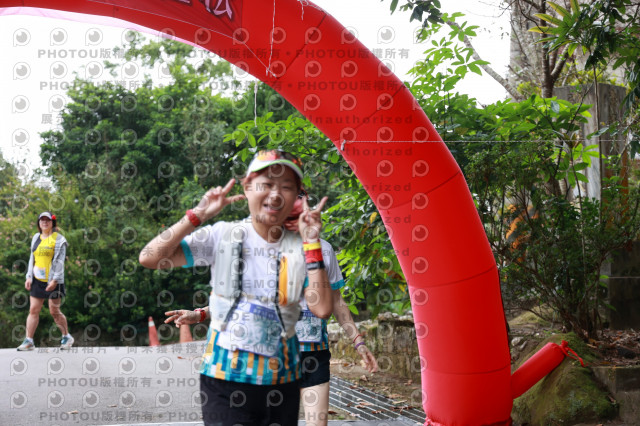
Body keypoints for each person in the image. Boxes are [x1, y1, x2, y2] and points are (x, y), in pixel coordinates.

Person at [139, 150, 334, 426]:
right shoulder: (223, 235)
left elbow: (322, 308)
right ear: (247, 187)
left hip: (283, 381)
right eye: (266, 184)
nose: (276, 194)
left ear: (296, 197)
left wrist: (312, 244)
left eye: (286, 187)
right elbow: (149, 257)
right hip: (225, 380)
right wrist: (197, 215)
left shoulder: (302, 246)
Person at [165, 210, 379, 426]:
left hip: (313, 353)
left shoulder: (323, 249)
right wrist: (201, 313)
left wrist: (358, 341)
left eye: (301, 202)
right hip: (274, 355)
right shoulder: (261, 246)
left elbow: (336, 302)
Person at [18, 212, 73, 351]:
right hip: (37, 279)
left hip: (53, 281)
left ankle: (66, 336)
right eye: (42, 220)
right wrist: (29, 276)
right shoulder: (36, 238)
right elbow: (32, 258)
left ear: (52, 223)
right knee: (33, 309)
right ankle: (29, 340)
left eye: (47, 220)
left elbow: (60, 261)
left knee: (54, 311)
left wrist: (55, 280)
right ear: (39, 223)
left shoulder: (59, 239)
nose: (45, 222)